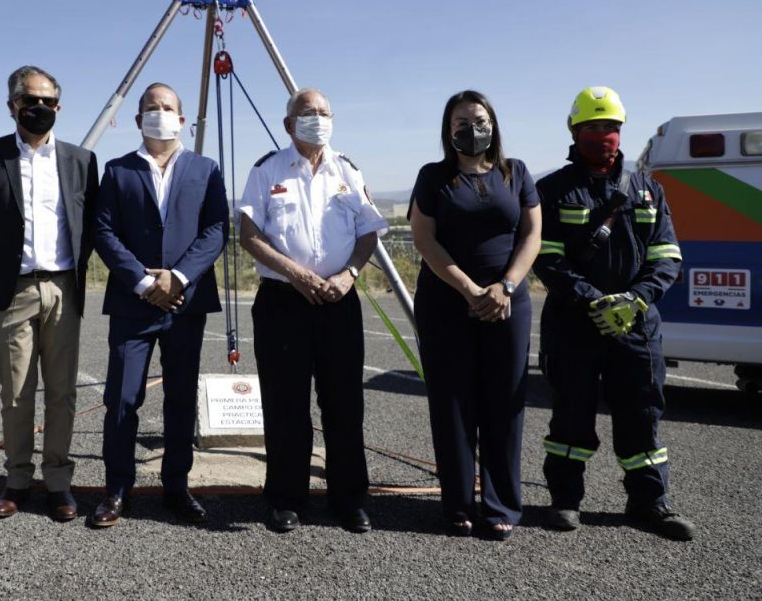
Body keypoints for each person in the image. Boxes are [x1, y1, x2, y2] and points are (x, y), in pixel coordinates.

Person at [534, 86, 695, 541]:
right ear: (574, 131)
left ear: (621, 131)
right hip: (573, 325)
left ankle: (650, 503)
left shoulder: (648, 190)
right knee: (571, 415)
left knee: (642, 415)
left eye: (610, 126)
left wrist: (636, 299)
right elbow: (546, 257)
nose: (602, 135)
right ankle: (565, 500)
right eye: (592, 127)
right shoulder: (553, 190)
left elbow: (666, 255)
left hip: (636, 326)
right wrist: (593, 300)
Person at [238, 88, 388, 534]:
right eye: (308, 113)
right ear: (289, 124)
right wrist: (296, 274)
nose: (317, 119)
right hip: (284, 301)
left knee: (345, 404)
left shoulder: (348, 170)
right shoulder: (266, 170)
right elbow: (249, 234)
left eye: (324, 112)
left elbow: (368, 232)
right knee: (285, 405)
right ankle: (286, 498)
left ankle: (349, 499)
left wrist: (350, 274)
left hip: (339, 300)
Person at [0, 65, 99, 522]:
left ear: (59, 106)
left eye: (47, 101)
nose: (39, 108)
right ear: (12, 106)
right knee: (16, 392)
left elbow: (89, 225)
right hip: (15, 289)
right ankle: (17, 480)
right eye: (29, 100)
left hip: (63, 288)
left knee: (62, 392)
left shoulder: (81, 161)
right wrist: (3, 269)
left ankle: (58, 482)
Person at [90, 83, 228, 528]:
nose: (160, 113)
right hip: (134, 303)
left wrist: (179, 277)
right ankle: (117, 489)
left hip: (186, 303)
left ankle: (176, 487)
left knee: (181, 398)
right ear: (138, 119)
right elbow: (103, 232)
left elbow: (216, 230)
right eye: (152, 107)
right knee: (122, 399)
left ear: (182, 119)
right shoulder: (117, 171)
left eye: (167, 107)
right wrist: (145, 281)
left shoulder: (206, 169)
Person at [408, 90, 541, 540]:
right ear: (448, 131)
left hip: (508, 304)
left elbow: (532, 234)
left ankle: (501, 506)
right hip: (446, 303)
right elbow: (424, 240)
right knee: (453, 404)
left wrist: (505, 287)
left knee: (505, 404)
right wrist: (469, 290)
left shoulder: (515, 172)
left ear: (493, 124)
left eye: (480, 121)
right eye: (461, 123)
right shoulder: (433, 177)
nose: (472, 130)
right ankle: (458, 505)